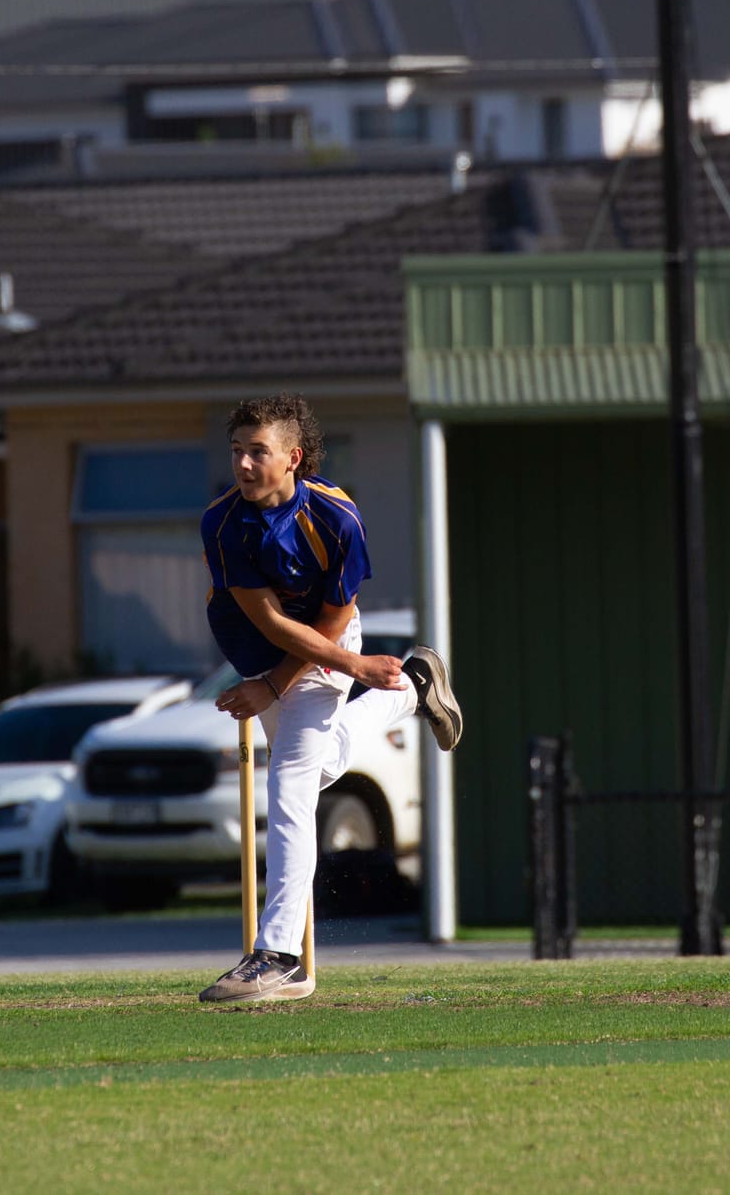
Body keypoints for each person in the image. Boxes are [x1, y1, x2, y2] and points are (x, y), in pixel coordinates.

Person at [196, 394, 463, 1004]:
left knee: (291, 784)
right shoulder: (222, 521)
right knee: (317, 766)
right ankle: (412, 688)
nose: (243, 465)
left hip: (329, 647)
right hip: (265, 655)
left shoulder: (337, 517)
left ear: (293, 457)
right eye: (236, 451)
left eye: (257, 452)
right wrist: (268, 682)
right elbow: (268, 621)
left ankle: (278, 956)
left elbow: (331, 622)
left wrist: (335, 670)